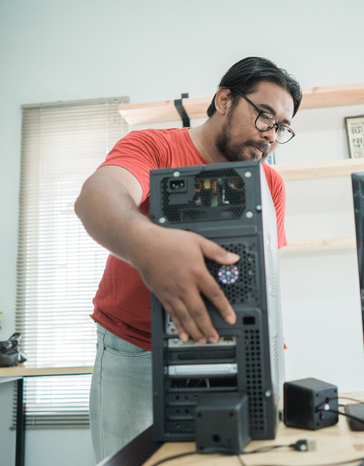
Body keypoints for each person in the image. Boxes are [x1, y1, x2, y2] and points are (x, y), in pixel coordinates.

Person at [74, 56, 302, 462]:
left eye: (282, 128)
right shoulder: (154, 146)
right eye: (264, 117)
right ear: (225, 99)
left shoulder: (271, 184)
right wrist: (150, 246)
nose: (271, 136)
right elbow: (97, 197)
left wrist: (270, 351)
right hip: (135, 349)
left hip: (231, 350)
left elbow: (267, 275)